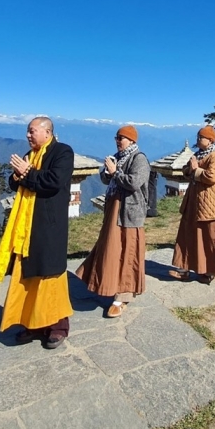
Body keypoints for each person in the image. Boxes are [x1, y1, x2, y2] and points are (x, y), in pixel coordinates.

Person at [0, 117, 74, 349]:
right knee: (27, 275)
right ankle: (32, 323)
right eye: (27, 132)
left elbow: (54, 181)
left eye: (32, 131)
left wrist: (27, 171)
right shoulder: (31, 154)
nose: (28, 136)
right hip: (26, 226)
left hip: (49, 225)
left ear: (47, 132)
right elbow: (16, 182)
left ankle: (57, 326)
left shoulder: (62, 152)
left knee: (50, 276)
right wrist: (18, 175)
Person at [76, 125, 149, 318]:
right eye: (117, 137)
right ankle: (105, 281)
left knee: (127, 250)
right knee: (110, 247)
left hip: (129, 213)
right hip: (114, 209)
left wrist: (115, 172)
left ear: (132, 140)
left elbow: (134, 183)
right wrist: (108, 173)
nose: (118, 141)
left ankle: (123, 294)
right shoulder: (118, 157)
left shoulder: (139, 159)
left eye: (122, 138)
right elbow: (105, 178)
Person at [170, 125, 215, 284]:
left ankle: (209, 270)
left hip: (210, 205)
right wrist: (190, 169)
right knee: (188, 235)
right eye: (198, 137)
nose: (198, 140)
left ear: (210, 140)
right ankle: (184, 268)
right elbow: (186, 169)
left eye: (201, 137)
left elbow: (212, 176)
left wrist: (195, 170)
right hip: (194, 202)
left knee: (209, 237)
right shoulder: (198, 155)